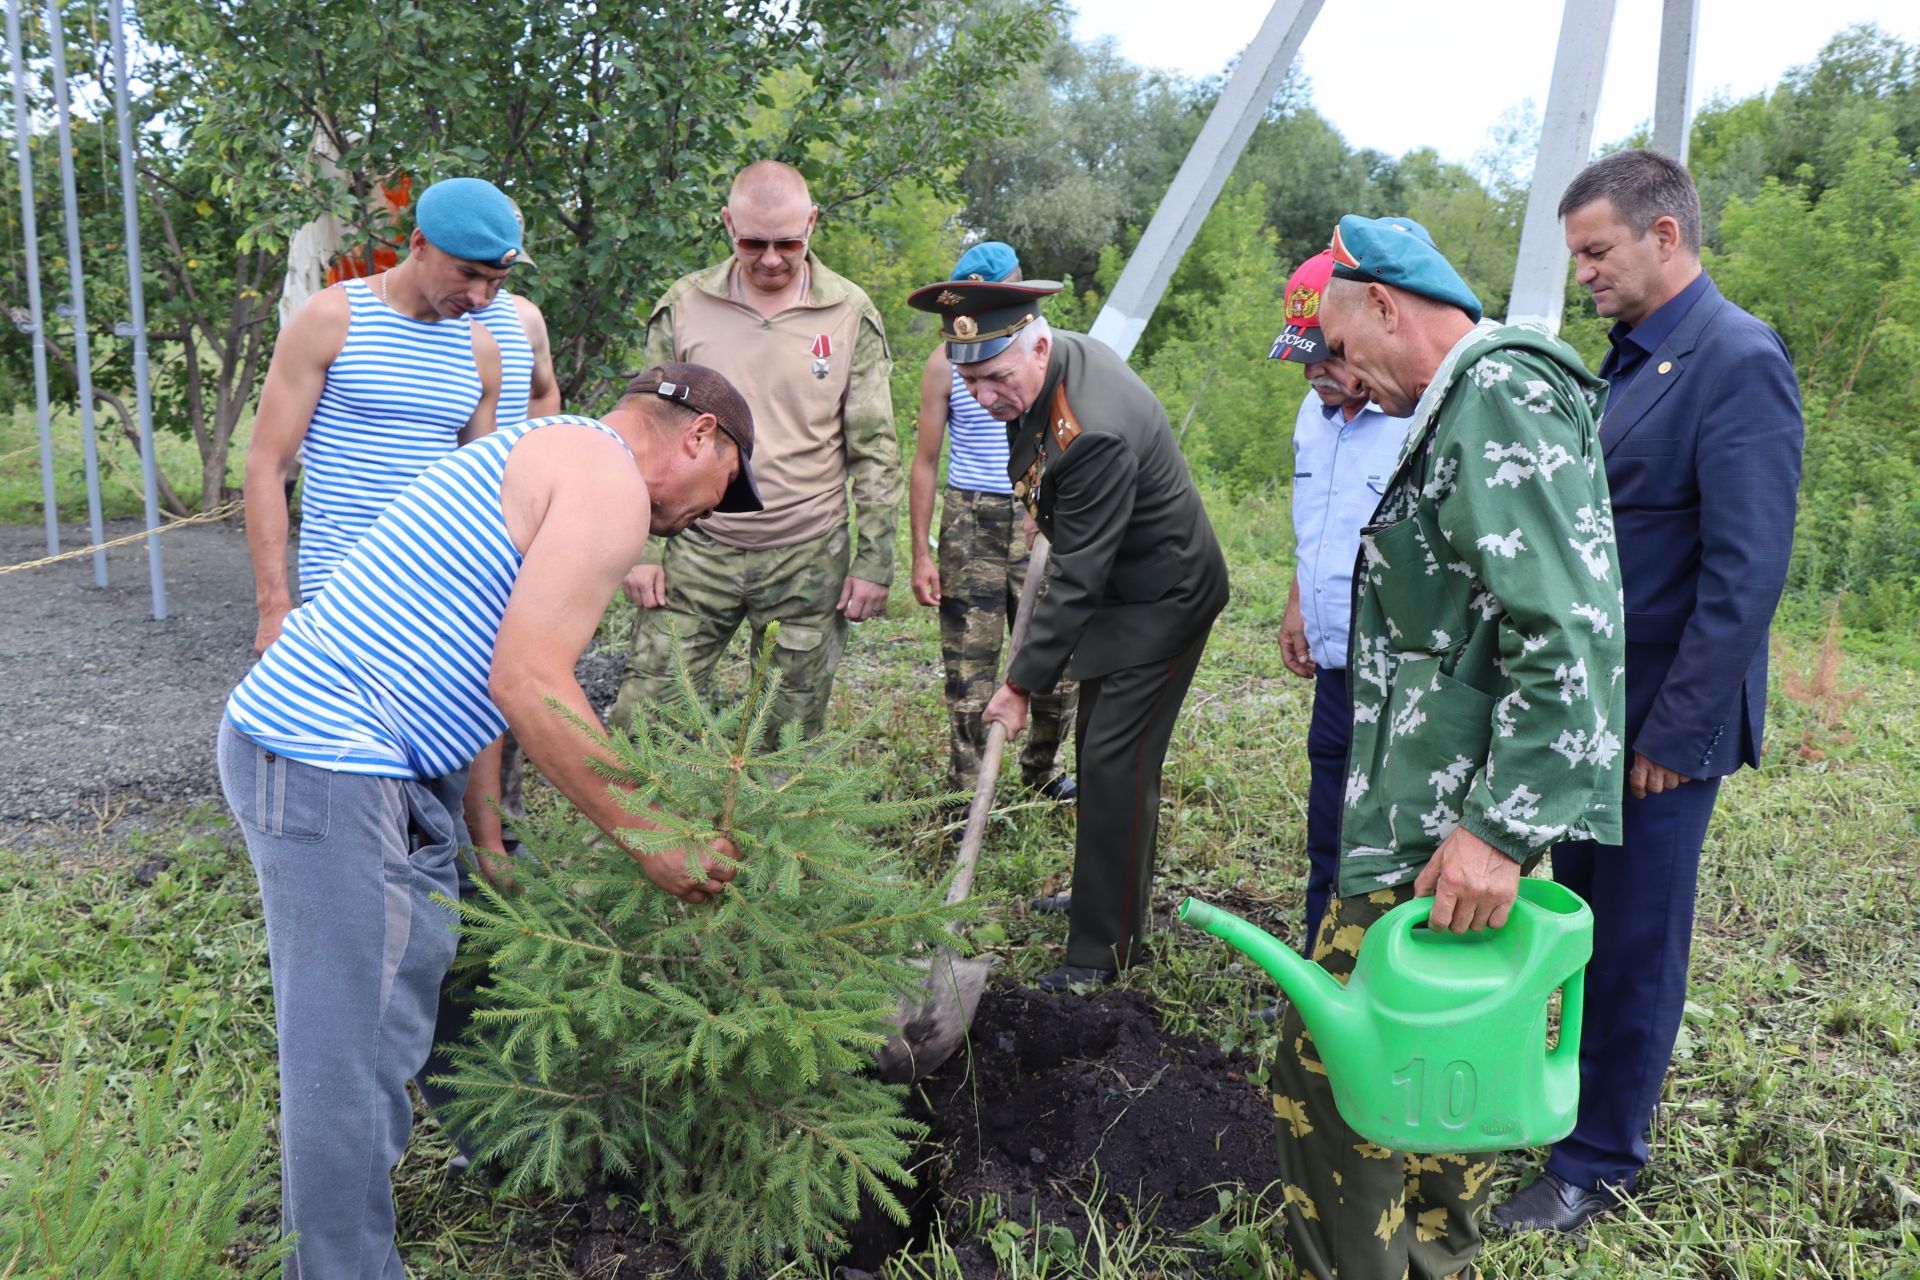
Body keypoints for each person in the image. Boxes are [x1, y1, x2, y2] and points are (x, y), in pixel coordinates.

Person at [219, 363, 763, 1278]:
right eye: (725, 487)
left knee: (452, 961)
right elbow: (532, 681)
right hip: (325, 758)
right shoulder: (611, 484)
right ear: (699, 436)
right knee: (351, 1052)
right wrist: (653, 834)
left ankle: (510, 1145)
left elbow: (476, 663)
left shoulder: (548, 452)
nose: (714, 513)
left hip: (382, 759)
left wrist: (484, 831)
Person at [1269, 214, 1627, 1280]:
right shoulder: (1460, 403)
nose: (1336, 377)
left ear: (1384, 304)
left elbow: (1570, 634)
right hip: (1429, 830)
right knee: (1440, 1072)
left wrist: (1498, 835)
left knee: (1333, 1080)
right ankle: (1432, 1263)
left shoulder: (1500, 395)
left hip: (1448, 842)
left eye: (1336, 347)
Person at [1490, 149, 1804, 1234]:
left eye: (1596, 250)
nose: (1583, 273)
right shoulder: (1632, 363)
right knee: (1582, 923)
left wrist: (1677, 729)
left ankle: (1601, 1161)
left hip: (1662, 727)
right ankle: (1569, 1112)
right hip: (1594, 719)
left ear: (1664, 236)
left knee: (1635, 945)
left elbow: (1746, 568)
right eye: (1578, 254)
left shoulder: (1734, 357)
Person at [906, 274, 1228, 993]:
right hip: (1121, 583)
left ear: (1037, 345)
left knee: (1117, 764)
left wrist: (1019, 686)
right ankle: (1104, 902)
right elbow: (1061, 492)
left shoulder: (1097, 426)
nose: (984, 399)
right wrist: (1046, 507)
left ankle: (1100, 954)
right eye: (970, 382)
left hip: (1161, 599)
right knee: (1106, 753)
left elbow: (1077, 577)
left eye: (994, 379)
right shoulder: (1055, 364)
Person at [612, 160, 899, 742]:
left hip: (807, 555)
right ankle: (633, 835)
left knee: (785, 731)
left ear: (813, 224)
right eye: (753, 241)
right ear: (727, 225)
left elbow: (874, 448)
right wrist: (635, 549)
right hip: (697, 550)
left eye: (788, 242)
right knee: (649, 713)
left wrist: (874, 563)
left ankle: (761, 835)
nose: (771, 258)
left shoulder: (847, 313)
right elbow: (638, 438)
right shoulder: (685, 306)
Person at [244, 176, 513, 654]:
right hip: (341, 591)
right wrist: (273, 608)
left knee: (457, 730)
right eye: (468, 274)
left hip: (442, 593)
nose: (480, 298)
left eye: (496, 283)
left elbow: (482, 493)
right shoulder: (332, 318)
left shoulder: (481, 349)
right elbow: (267, 465)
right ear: (419, 244)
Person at [1270, 248, 1412, 949]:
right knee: (1327, 828)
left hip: (1403, 676)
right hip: (1336, 665)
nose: (1312, 372)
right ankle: (1317, 978)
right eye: (1303, 358)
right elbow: (1319, 515)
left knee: (1387, 838)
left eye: (1328, 354)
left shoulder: (1417, 415)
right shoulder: (1313, 411)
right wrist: (1300, 601)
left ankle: (1381, 982)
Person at [908, 240, 1076, 802]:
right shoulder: (943, 364)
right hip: (970, 518)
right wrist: (921, 552)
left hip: (1040, 515)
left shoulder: (1042, 351)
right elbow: (927, 460)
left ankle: (1042, 770)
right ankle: (965, 788)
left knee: (1056, 657)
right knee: (968, 663)